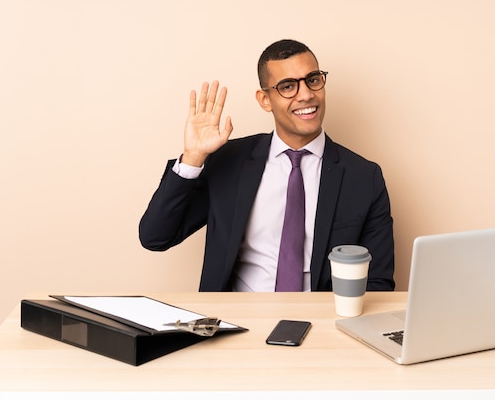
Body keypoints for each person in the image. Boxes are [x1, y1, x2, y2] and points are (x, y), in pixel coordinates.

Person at [139, 39, 395, 292]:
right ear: (265, 100)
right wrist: (193, 156)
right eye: (287, 86)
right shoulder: (229, 162)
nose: (306, 95)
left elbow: (378, 283)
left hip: (323, 323)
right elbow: (156, 237)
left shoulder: (363, 177)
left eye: (313, 80)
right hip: (240, 322)